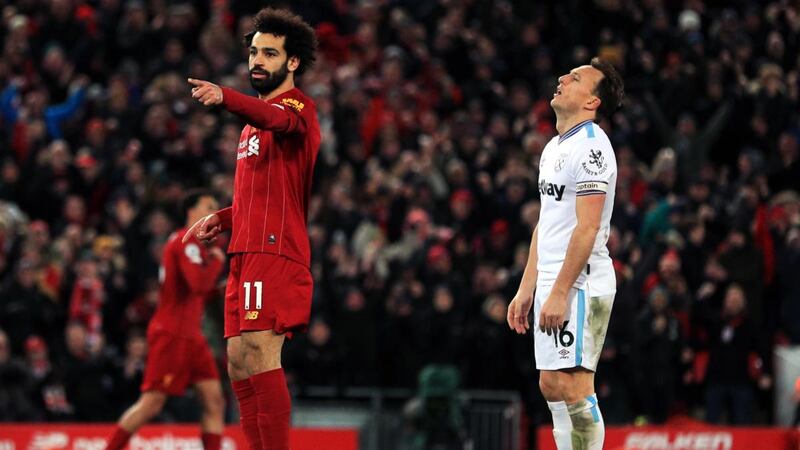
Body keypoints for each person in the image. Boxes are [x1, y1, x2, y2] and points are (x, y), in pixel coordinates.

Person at [184, 8, 320, 450]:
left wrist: (225, 96)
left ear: (292, 62)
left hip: (275, 252)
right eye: (254, 52)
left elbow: (277, 119)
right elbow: (260, 194)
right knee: (239, 362)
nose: (257, 60)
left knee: (261, 353)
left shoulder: (297, 107)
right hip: (244, 251)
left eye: (270, 53)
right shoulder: (250, 127)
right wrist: (222, 218)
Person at [507, 57, 624, 450]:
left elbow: (587, 228)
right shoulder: (554, 147)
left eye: (575, 78)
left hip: (580, 281)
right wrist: (527, 288)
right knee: (551, 383)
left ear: (592, 102)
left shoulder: (592, 148)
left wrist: (559, 292)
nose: (562, 78)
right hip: (553, 279)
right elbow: (547, 224)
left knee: (575, 385)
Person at [105, 190, 226, 450]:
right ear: (191, 211)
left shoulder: (193, 246)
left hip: (193, 336)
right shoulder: (186, 241)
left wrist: (219, 287)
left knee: (214, 401)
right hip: (172, 334)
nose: (215, 213)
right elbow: (197, 284)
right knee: (152, 403)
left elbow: (196, 292)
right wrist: (217, 263)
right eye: (209, 206)